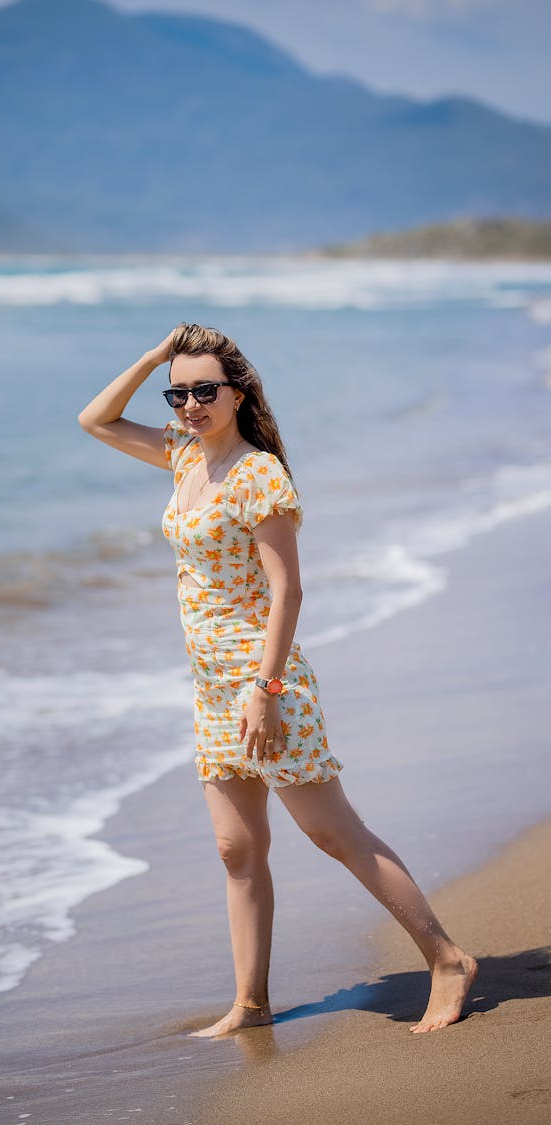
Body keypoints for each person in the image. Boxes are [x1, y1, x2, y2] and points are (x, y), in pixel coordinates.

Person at [78, 323, 477, 1036]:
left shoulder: (260, 473)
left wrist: (262, 692)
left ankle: (447, 958)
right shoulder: (182, 457)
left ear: (238, 392)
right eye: (180, 392)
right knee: (236, 848)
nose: (191, 403)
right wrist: (149, 358)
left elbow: (288, 591)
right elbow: (94, 419)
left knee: (334, 832)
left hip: (265, 682)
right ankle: (250, 1001)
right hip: (209, 688)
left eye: (206, 390)